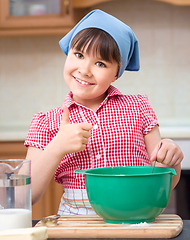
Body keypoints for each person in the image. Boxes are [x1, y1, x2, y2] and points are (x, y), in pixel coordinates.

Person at [24, 9, 183, 215]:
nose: (85, 69)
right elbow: (26, 197)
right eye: (79, 55)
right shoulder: (46, 122)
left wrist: (170, 158)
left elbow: (163, 181)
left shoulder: (139, 107)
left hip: (136, 219)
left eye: (100, 63)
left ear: (117, 72)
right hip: (76, 225)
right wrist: (57, 147)